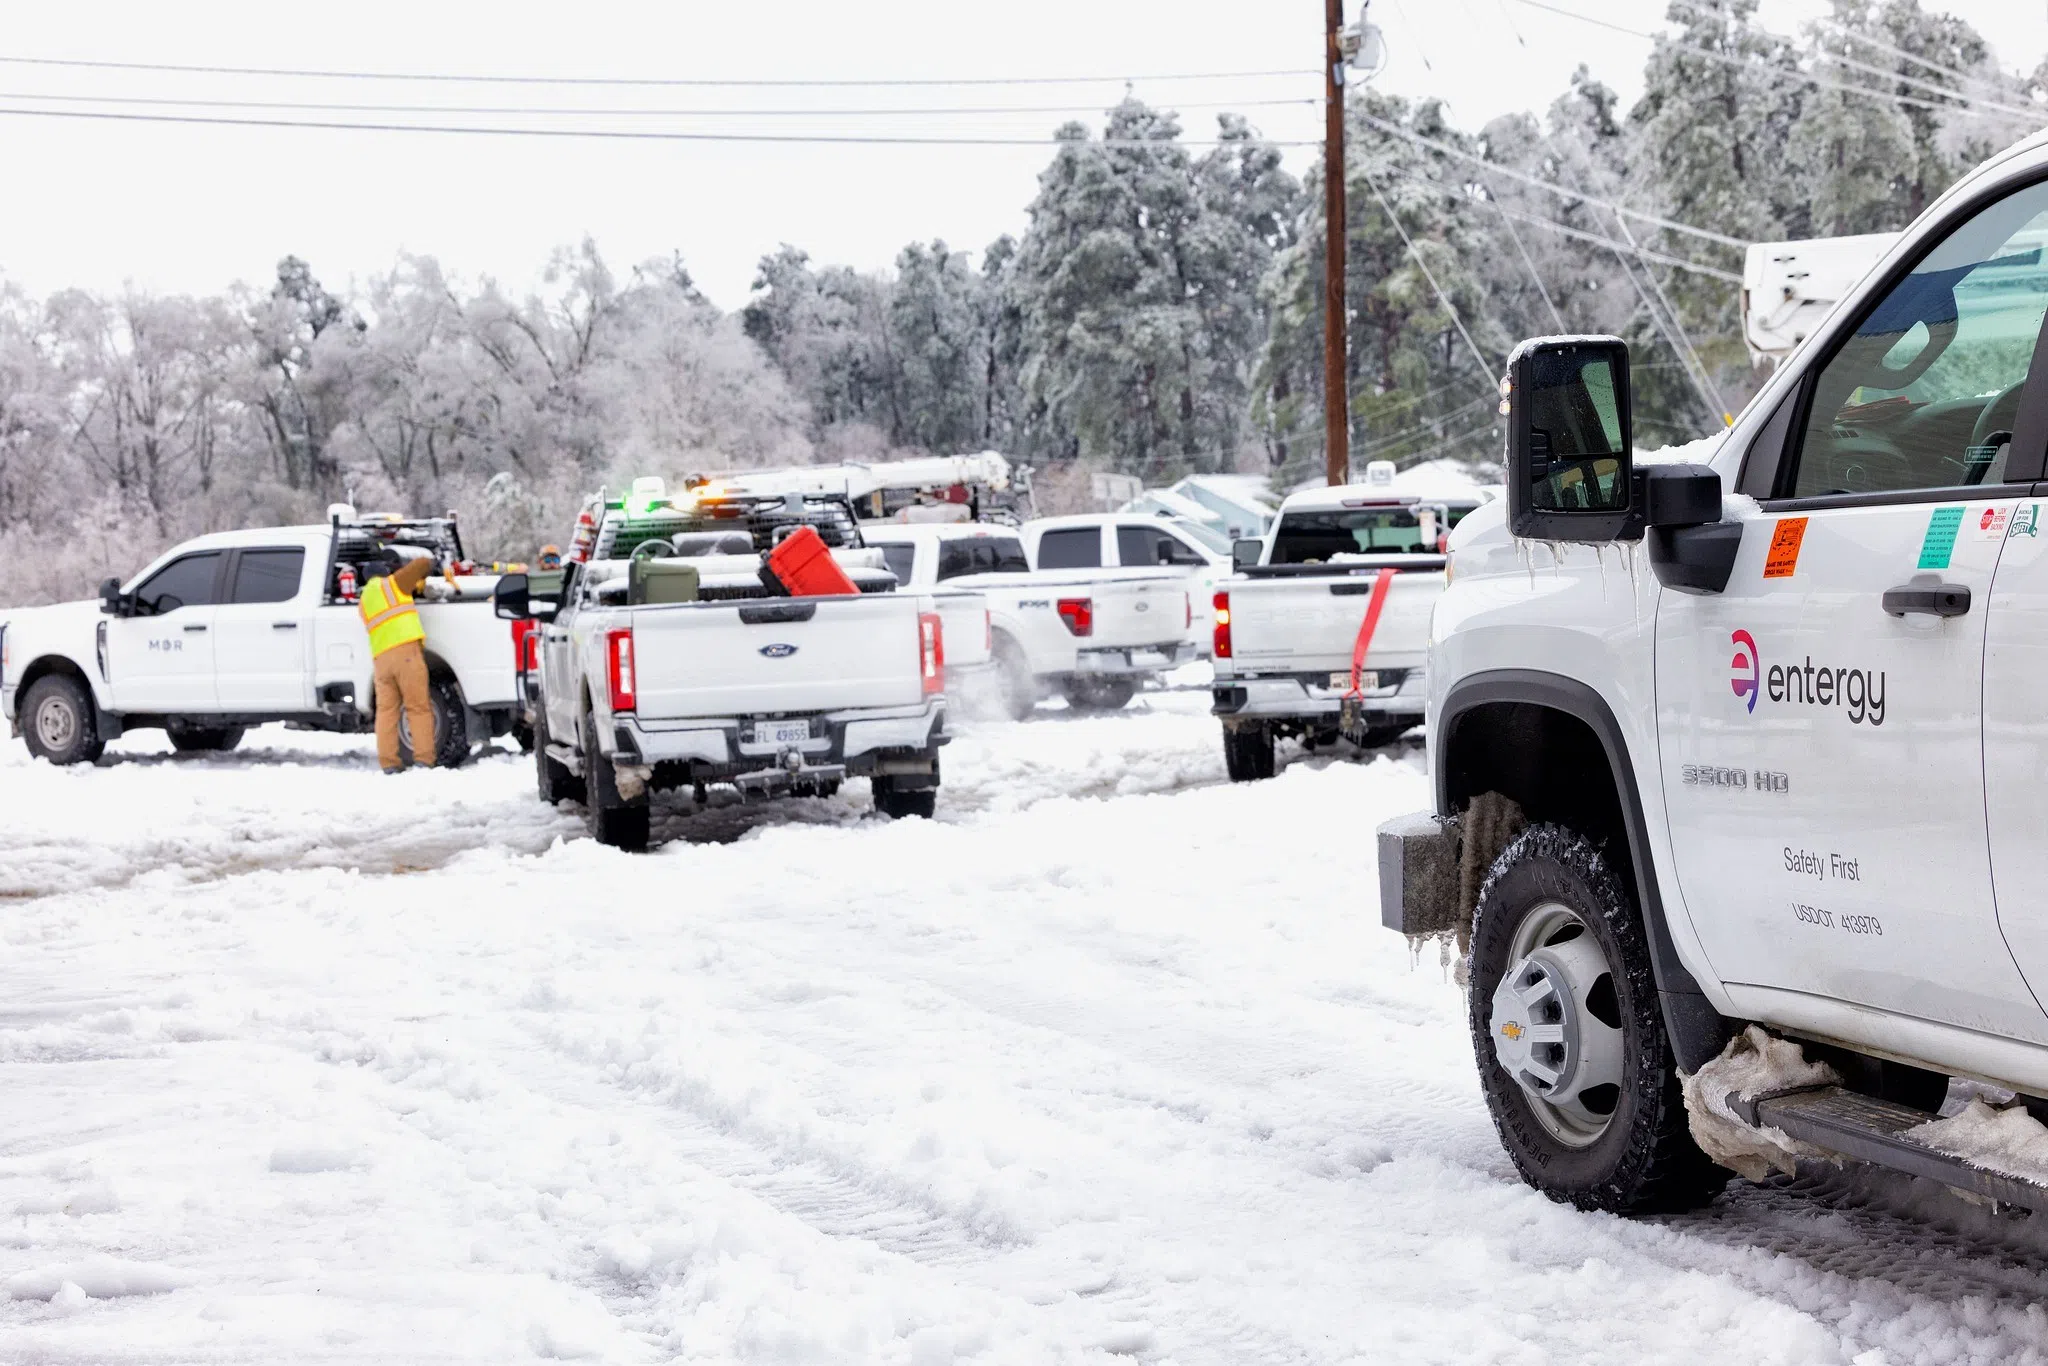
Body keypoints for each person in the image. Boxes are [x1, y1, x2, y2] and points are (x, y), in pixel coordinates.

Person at [359, 551, 445, 773]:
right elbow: (422, 563)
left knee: (386, 712)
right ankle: (424, 759)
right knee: (418, 707)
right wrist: (430, 562)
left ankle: (389, 763)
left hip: (381, 660)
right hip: (406, 653)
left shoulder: (364, 601)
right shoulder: (393, 584)